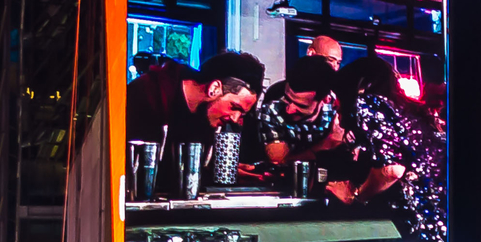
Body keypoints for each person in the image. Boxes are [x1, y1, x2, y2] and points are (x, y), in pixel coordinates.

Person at [330, 57, 446, 242]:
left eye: (337, 96)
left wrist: (355, 195)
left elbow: (391, 170)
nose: (335, 104)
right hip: (443, 220)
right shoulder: (408, 109)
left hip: (422, 223)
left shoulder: (369, 102)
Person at [128, 50, 266, 153]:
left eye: (242, 114)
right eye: (234, 107)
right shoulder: (146, 94)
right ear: (214, 88)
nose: (235, 119)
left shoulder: (208, 120)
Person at [255, 55, 350, 171]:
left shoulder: (340, 111)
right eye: (287, 99)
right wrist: (325, 145)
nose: (289, 110)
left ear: (325, 100)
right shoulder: (273, 109)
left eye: (301, 105)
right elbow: (278, 163)